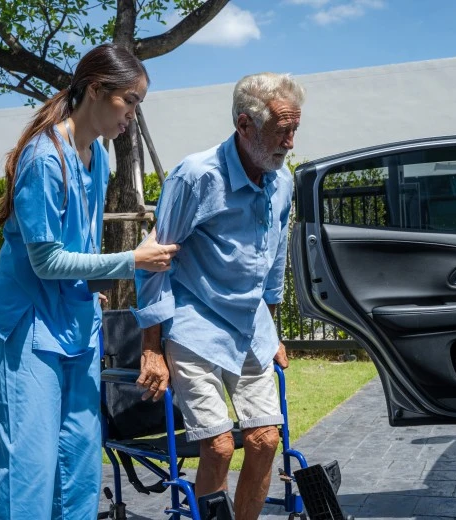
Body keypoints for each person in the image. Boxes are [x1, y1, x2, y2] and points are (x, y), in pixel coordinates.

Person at [0, 43, 180, 519]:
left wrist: (92, 283)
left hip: (77, 322)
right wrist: (131, 260)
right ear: (95, 90)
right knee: (31, 468)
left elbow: (82, 247)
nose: (133, 114)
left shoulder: (99, 159)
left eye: (138, 103)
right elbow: (46, 261)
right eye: (129, 100)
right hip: (29, 326)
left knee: (80, 461)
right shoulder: (43, 159)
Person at [132, 72, 304, 520]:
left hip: (250, 327)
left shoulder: (282, 181)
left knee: (266, 440)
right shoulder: (196, 176)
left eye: (294, 130)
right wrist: (151, 348)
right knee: (219, 446)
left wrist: (272, 329)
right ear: (244, 125)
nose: (289, 143)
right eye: (281, 130)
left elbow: (274, 258)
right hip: (195, 325)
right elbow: (155, 259)